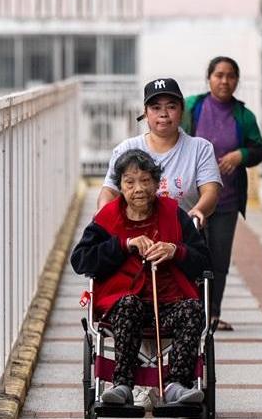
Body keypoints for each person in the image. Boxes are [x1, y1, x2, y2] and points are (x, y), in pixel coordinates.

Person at [72, 149, 211, 406]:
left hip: (169, 300)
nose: (138, 188)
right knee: (128, 304)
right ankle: (122, 384)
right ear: (121, 187)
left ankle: (176, 385)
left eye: (146, 181)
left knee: (192, 309)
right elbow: (80, 260)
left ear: (157, 184)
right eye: (130, 182)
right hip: (124, 302)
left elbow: (204, 260)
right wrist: (124, 245)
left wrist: (175, 251)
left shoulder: (173, 212)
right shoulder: (107, 217)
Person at [181, 56, 262, 332]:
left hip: (227, 202)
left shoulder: (243, 115)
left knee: (219, 260)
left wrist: (239, 155)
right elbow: (174, 136)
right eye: (219, 75)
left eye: (231, 76)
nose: (224, 81)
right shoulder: (193, 107)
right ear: (209, 78)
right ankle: (189, 312)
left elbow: (259, 149)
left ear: (237, 81)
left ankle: (212, 315)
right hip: (191, 200)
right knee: (189, 255)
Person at [97, 78, 222, 225]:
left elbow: (211, 191)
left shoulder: (201, 149)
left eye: (171, 107)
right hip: (135, 236)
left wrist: (198, 211)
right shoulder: (126, 149)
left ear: (182, 110)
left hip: (183, 235)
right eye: (156, 107)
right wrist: (103, 214)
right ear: (145, 113)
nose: (163, 114)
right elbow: (110, 191)